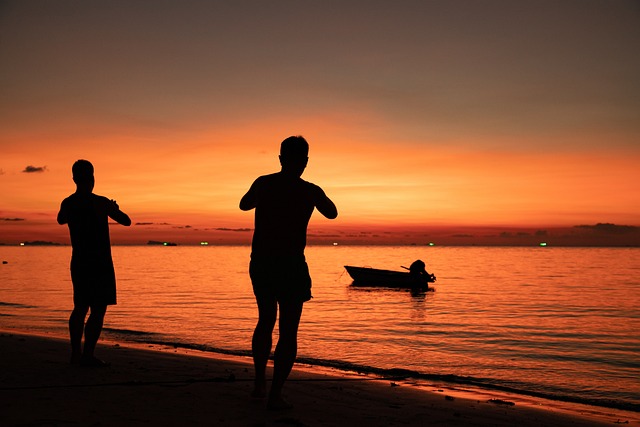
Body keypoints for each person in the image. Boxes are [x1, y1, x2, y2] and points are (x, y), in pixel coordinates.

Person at [240, 136, 338, 410]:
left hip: (262, 261)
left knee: (265, 320)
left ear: (281, 158)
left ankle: (260, 384)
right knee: (288, 331)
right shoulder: (310, 190)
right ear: (305, 162)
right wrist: (314, 195)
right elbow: (332, 213)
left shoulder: (264, 183)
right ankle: (275, 394)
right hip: (291, 264)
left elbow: (244, 204)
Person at [57, 160, 131, 367]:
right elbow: (126, 220)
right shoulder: (101, 202)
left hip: (80, 261)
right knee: (97, 310)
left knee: (80, 307)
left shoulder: (69, 202)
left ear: (74, 179)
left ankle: (75, 355)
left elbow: (60, 219)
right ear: (92, 178)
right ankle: (87, 355)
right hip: (100, 263)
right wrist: (114, 207)